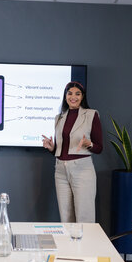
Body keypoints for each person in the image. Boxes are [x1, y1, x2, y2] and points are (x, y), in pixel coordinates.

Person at [41, 81, 103, 223]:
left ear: (82, 97)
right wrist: (51, 148)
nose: (73, 97)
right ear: (65, 96)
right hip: (60, 170)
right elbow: (61, 149)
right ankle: (70, 246)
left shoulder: (91, 115)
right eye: (69, 93)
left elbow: (99, 148)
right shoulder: (59, 117)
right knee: (66, 217)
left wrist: (89, 144)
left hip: (82, 169)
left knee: (84, 217)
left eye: (77, 94)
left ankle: (86, 245)